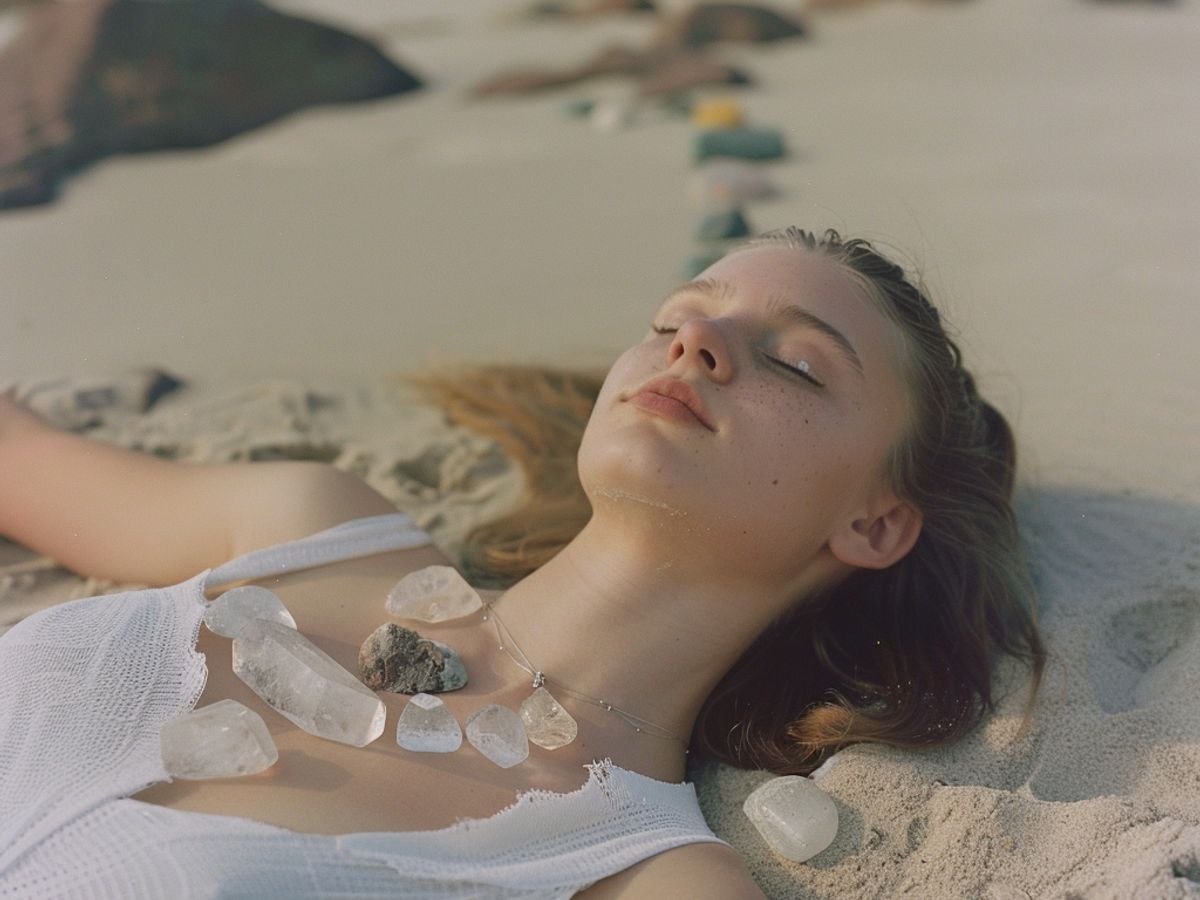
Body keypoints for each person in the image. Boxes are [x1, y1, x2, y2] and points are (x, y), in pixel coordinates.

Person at [0, 228, 1044, 898]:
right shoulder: (316, 522)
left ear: (871, 523)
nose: (697, 344)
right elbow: (21, 459)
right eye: (676, 318)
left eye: (796, 362)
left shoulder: (638, 875)